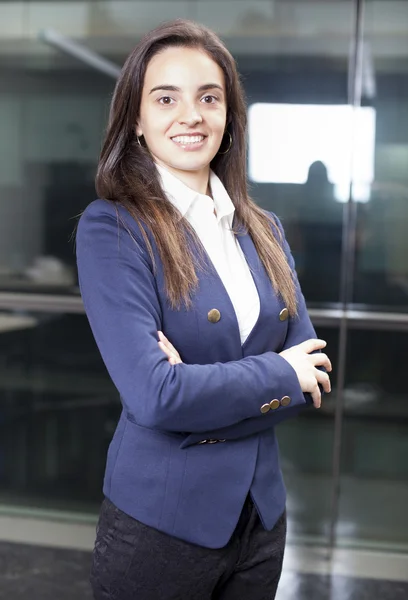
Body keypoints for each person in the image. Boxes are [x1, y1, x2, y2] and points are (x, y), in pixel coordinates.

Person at [76, 19, 332, 600]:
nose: (191, 115)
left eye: (208, 97)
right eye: (166, 98)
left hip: (261, 518)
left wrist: (195, 383)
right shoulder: (116, 228)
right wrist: (277, 374)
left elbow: (313, 374)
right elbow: (154, 395)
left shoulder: (265, 229)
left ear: (228, 115)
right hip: (161, 522)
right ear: (136, 120)